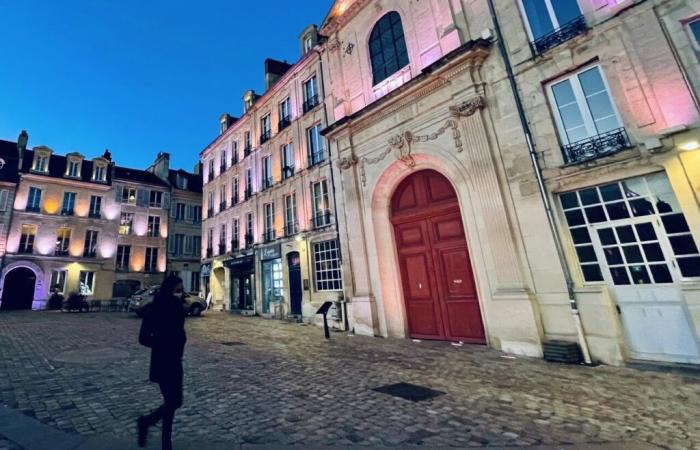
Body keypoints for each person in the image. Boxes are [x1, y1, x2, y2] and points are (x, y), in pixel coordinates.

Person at [136, 275, 187, 450]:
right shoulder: (164, 308)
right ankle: (147, 422)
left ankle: (165, 443)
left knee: (172, 402)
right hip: (167, 360)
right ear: (171, 290)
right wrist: (166, 343)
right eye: (179, 290)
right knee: (174, 402)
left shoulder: (163, 307)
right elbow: (143, 338)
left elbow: (145, 338)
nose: (181, 294)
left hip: (167, 360)